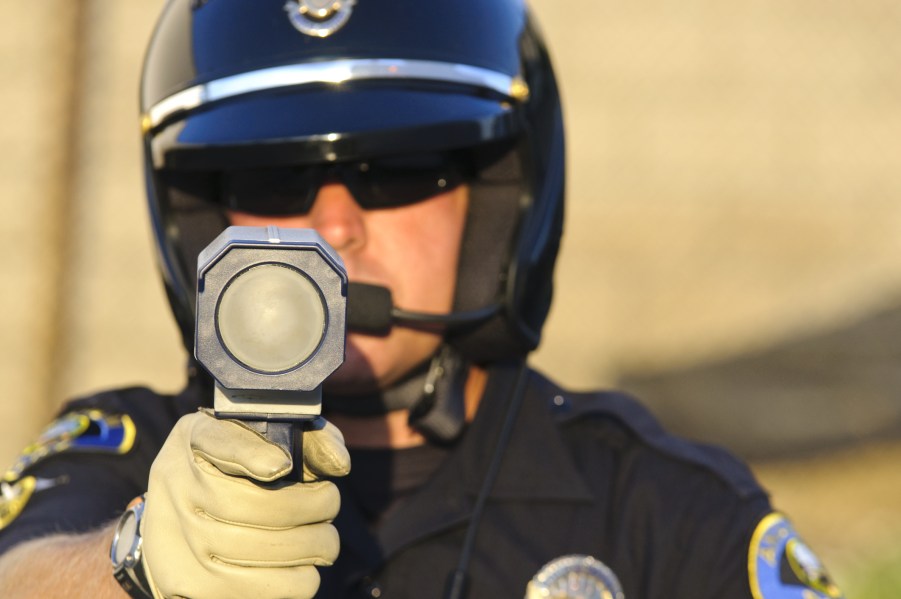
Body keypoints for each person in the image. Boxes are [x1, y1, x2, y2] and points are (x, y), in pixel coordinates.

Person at [0, 0, 844, 597]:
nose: (335, 227)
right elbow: (23, 571)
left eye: (400, 171)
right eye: (271, 180)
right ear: (199, 222)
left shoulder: (656, 507)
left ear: (498, 201)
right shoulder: (127, 451)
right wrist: (138, 558)